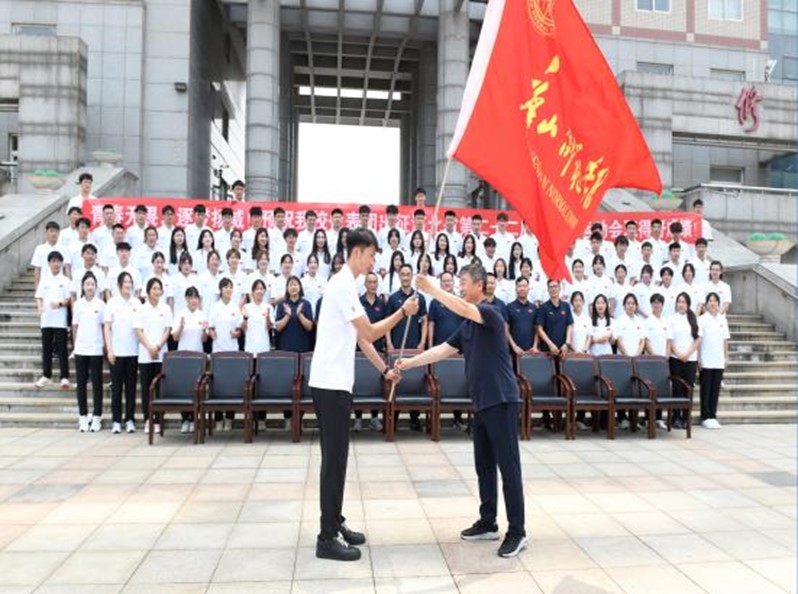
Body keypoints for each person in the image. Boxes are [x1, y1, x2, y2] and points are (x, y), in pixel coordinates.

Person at [395, 265, 527, 558]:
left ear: (479, 285)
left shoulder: (490, 313)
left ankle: (517, 531)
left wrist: (432, 290)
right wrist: (409, 363)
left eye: (464, 282)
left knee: (509, 469)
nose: (460, 286)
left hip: (502, 401)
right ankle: (488, 522)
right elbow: (442, 349)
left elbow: (463, 307)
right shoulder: (467, 325)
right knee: (484, 466)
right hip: (481, 403)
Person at [308, 228, 417, 562]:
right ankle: (326, 537)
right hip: (330, 385)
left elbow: (360, 339)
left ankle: (335, 521)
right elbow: (370, 331)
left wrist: (384, 370)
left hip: (336, 384)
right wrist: (402, 312)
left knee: (338, 459)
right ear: (357, 253)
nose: (372, 262)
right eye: (370, 255)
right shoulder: (341, 285)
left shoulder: (347, 286)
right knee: (334, 461)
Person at [427, 271, 468, 431]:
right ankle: (435, 419)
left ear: (453, 282)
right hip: (440, 349)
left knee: (456, 383)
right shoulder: (435, 302)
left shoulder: (459, 301)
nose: (447, 283)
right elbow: (431, 324)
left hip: (457, 349)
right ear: (440, 283)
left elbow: (465, 324)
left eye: (449, 280)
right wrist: (431, 345)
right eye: (444, 281)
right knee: (440, 383)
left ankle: (458, 418)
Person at [134, 278, 173, 435]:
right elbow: (138, 331)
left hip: (161, 354)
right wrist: (150, 347)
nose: (157, 291)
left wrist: (158, 346)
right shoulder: (141, 309)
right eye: (154, 288)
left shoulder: (166, 308)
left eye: (159, 289)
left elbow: (167, 329)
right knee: (146, 389)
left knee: (159, 389)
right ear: (148, 291)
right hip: (145, 355)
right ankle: (148, 419)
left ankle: (158, 418)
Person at [104, 272, 141, 433]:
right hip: (117, 352)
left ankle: (130, 419)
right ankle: (116, 421)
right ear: (119, 285)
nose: (128, 285)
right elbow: (107, 327)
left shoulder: (137, 303)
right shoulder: (112, 303)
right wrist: (109, 350)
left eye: (130, 282)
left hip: (133, 352)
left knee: (131, 388)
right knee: (117, 388)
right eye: (126, 282)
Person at [208, 278, 244, 431]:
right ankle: (218, 419)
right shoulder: (214, 307)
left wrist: (237, 333)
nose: (228, 289)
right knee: (217, 385)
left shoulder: (235, 307)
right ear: (220, 290)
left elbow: (240, 328)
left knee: (231, 386)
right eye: (226, 287)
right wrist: (211, 333)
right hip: (218, 350)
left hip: (232, 350)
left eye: (230, 287)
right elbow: (210, 327)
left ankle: (229, 418)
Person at [72, 272, 106, 432]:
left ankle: (97, 415)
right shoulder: (78, 304)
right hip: (81, 348)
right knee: (81, 384)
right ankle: (83, 416)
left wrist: (105, 346)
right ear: (83, 286)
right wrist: (75, 345)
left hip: (96, 348)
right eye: (87, 284)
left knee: (97, 383)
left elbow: (104, 327)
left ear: (96, 286)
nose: (90, 287)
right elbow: (75, 326)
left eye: (92, 284)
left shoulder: (101, 304)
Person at [171, 286, 208, 434]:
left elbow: (204, 339)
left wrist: (205, 330)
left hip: (198, 357)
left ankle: (194, 418)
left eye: (196, 298)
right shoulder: (180, 314)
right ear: (186, 299)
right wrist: (180, 327)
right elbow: (175, 338)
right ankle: (185, 419)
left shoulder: (202, 315)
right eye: (191, 297)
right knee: (184, 389)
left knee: (196, 388)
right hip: (183, 357)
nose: (194, 300)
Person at [354, 272, 387, 432]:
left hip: (377, 347)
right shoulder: (359, 302)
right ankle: (358, 418)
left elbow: (385, 325)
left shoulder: (382, 303)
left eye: (375, 282)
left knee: (374, 383)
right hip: (360, 348)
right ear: (365, 284)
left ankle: (374, 417)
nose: (372, 285)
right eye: (370, 282)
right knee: (360, 382)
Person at [34, 251, 71, 389]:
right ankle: (46, 376)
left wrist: (60, 304)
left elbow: (69, 299)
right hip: (46, 319)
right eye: (53, 261)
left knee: (62, 349)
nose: (56, 264)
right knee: (46, 348)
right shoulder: (44, 279)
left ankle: (64, 377)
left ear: (61, 263)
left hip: (60, 320)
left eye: (58, 261)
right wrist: (39, 308)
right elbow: (39, 296)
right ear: (49, 263)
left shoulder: (66, 281)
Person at [668, 292, 702, 429]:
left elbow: (698, 339)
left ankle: (685, 417)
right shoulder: (672, 319)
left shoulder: (694, 319)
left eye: (683, 302)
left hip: (690, 359)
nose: (681, 304)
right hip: (675, 358)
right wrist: (678, 353)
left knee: (688, 388)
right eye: (679, 302)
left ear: (688, 304)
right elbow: (670, 339)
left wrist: (687, 353)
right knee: (676, 387)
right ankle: (675, 417)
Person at [698, 292, 730, 430]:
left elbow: (725, 340)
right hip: (706, 359)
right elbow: (699, 341)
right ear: (706, 304)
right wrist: (699, 358)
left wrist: (726, 357)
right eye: (710, 301)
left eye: (715, 301)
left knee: (715, 389)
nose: (713, 303)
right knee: (706, 389)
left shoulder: (722, 319)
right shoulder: (701, 320)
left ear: (718, 304)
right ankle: (705, 417)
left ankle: (713, 415)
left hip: (718, 360)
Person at [535, 279, 573, 355]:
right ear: (548, 290)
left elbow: (569, 325)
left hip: (563, 350)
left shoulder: (566, 306)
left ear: (559, 288)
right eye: (551, 287)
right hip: (547, 351)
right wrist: (550, 344)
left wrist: (567, 343)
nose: (553, 289)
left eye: (555, 286)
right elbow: (539, 329)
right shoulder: (543, 307)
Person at [506, 277, 538, 356]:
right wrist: (514, 346)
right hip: (513, 352)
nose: (522, 289)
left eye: (524, 286)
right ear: (516, 289)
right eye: (519, 286)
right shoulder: (509, 307)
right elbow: (505, 329)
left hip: (531, 352)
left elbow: (537, 330)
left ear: (528, 289)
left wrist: (535, 346)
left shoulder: (534, 308)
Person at [31, 221, 63, 287]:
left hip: (60, 285)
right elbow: (37, 270)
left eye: (56, 231)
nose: (54, 233)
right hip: (44, 286)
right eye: (51, 231)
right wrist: (37, 288)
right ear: (46, 232)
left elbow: (67, 269)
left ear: (59, 233)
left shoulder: (64, 249)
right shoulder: (39, 249)